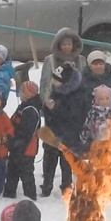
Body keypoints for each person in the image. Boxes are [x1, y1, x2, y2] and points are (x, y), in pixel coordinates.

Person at [41, 62, 87, 197]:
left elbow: (72, 115)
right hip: (53, 133)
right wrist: (47, 108)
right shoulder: (56, 91)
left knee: (66, 162)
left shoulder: (77, 95)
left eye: (57, 80)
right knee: (49, 160)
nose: (53, 82)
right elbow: (50, 112)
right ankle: (47, 184)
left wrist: (55, 108)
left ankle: (66, 186)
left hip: (69, 136)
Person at [4, 81, 41, 201]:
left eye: (22, 91)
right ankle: (9, 194)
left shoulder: (31, 109)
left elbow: (26, 132)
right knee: (12, 171)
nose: (20, 93)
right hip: (18, 146)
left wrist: (15, 143)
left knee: (26, 174)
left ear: (28, 94)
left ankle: (30, 197)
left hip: (26, 149)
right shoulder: (25, 105)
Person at [40, 27, 87, 109]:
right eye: (64, 44)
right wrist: (46, 99)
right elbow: (45, 81)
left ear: (73, 45)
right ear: (58, 45)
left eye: (69, 44)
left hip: (76, 101)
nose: (66, 47)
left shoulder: (81, 60)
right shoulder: (50, 60)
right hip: (56, 101)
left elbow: (85, 80)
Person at [82, 50, 111, 117]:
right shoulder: (83, 81)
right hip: (91, 120)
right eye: (95, 64)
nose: (98, 66)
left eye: (101, 64)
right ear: (90, 66)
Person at [80, 84, 111, 150]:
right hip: (98, 145)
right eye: (101, 99)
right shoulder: (93, 113)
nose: (105, 101)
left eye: (107, 98)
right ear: (96, 100)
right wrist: (84, 140)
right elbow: (87, 127)